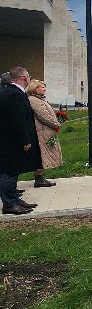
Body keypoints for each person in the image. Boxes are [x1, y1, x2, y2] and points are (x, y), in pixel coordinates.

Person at [0, 66, 41, 214]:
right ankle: (9, 204)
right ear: (24, 78)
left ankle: (14, 200)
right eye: (29, 76)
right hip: (12, 141)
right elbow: (18, 120)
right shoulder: (14, 94)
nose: (29, 79)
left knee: (12, 171)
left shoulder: (9, 91)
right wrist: (25, 140)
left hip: (8, 140)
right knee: (9, 172)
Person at [25, 78, 63, 187]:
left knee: (42, 155)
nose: (44, 89)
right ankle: (39, 179)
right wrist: (56, 124)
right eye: (42, 87)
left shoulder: (38, 99)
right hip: (41, 132)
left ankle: (40, 178)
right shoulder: (34, 100)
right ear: (35, 88)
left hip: (44, 131)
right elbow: (44, 116)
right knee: (41, 154)